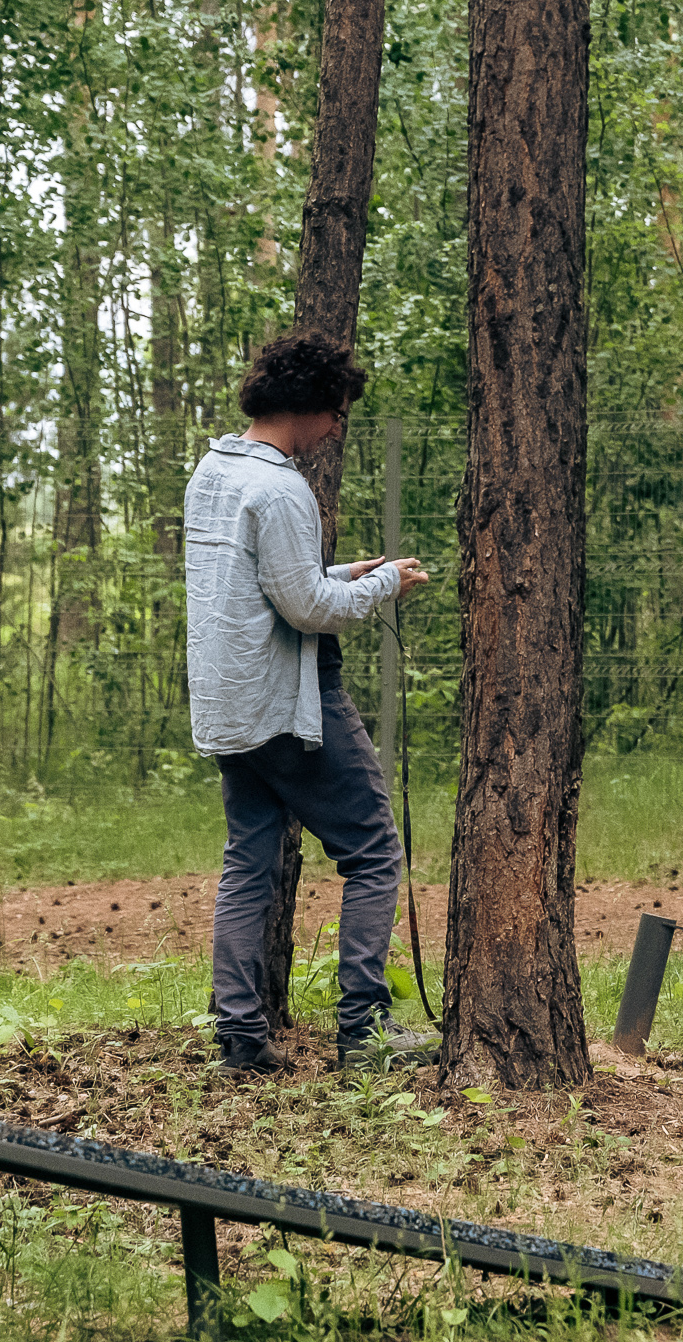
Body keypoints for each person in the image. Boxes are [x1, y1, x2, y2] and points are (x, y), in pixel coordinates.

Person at [184, 331, 430, 1074]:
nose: (335, 428)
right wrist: (385, 584)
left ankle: (240, 1038)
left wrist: (342, 569)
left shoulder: (216, 469)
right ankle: (363, 1031)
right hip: (289, 704)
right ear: (312, 406)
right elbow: (307, 611)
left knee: (249, 863)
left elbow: (269, 583)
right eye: (336, 414)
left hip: (229, 707)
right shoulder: (282, 486)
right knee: (374, 849)